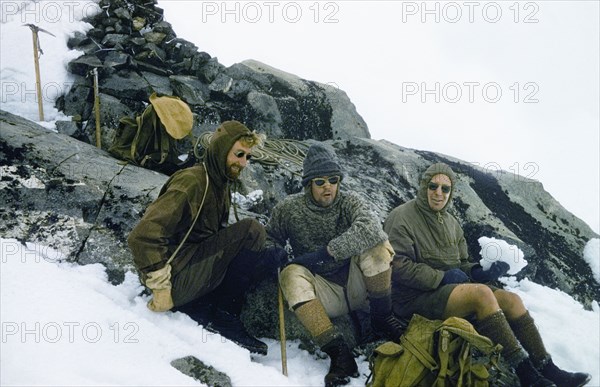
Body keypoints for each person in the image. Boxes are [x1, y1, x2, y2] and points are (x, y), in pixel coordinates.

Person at [383, 162, 591, 387]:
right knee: (481, 295)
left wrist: (479, 272)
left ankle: (547, 367)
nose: (438, 193)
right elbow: (397, 265)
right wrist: (440, 277)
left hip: (447, 292)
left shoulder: (451, 223)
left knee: (512, 300)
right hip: (414, 298)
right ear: (424, 186)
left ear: (451, 192)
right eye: (433, 186)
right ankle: (527, 375)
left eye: (445, 189)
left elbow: (461, 263)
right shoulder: (402, 216)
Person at [266, 144, 407, 387]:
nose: (328, 186)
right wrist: (274, 251)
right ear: (308, 183)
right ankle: (338, 353)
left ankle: (383, 318)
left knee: (377, 244)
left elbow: (371, 228)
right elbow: (270, 237)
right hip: (323, 292)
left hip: (359, 286)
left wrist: (326, 253)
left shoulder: (350, 202)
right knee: (290, 274)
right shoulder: (288, 209)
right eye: (320, 181)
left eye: (333, 179)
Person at [128, 120, 271, 355]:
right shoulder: (192, 181)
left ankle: (203, 306)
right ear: (221, 149)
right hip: (173, 280)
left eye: (248, 157)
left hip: (191, 266)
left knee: (267, 255)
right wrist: (161, 288)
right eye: (239, 154)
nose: (243, 163)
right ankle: (224, 318)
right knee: (251, 231)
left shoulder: (219, 181)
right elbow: (142, 236)